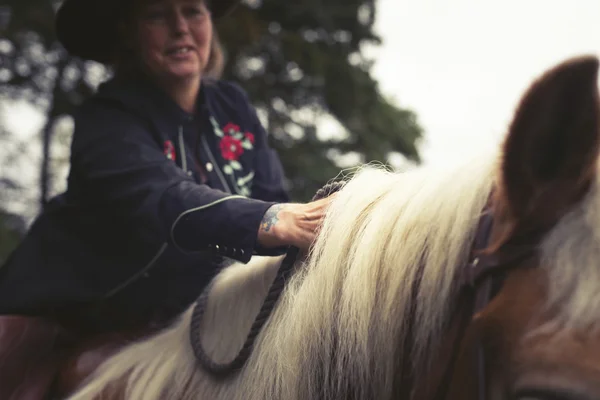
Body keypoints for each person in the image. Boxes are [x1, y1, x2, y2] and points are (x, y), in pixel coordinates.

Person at [0, 0, 334, 337]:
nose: (180, 28)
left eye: (193, 11)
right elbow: (163, 196)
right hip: (71, 315)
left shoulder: (233, 105)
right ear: (128, 33)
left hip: (194, 319)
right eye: (157, 15)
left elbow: (271, 196)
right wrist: (272, 219)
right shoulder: (107, 117)